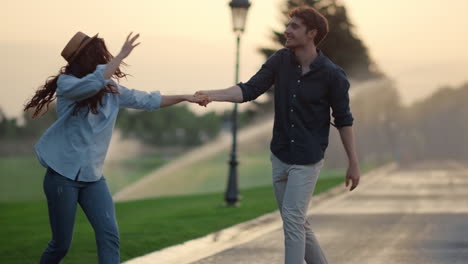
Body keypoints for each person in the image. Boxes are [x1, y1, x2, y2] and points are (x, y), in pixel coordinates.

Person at [195, 6, 360, 264]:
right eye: (288, 24)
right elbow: (249, 90)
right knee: (296, 221)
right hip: (280, 154)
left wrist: (353, 162)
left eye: (294, 26)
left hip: (307, 158)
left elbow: (344, 120)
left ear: (312, 33)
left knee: (293, 221)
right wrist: (211, 95)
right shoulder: (280, 60)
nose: (287, 30)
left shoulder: (332, 75)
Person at [24, 32, 206, 264]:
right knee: (60, 245)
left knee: (109, 236)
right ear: (85, 59)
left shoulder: (111, 90)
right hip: (62, 176)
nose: (103, 57)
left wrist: (185, 97)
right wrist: (120, 56)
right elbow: (91, 85)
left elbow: (148, 100)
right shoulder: (67, 84)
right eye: (97, 53)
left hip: (93, 177)